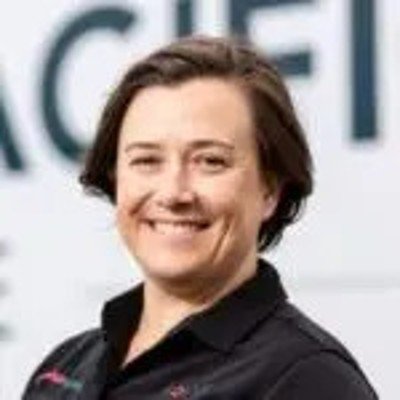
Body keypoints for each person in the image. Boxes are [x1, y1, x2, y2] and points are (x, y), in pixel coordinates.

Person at [23, 36, 378, 399]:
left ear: (270, 190)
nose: (173, 193)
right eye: (146, 160)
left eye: (210, 161)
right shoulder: (64, 368)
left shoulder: (310, 378)